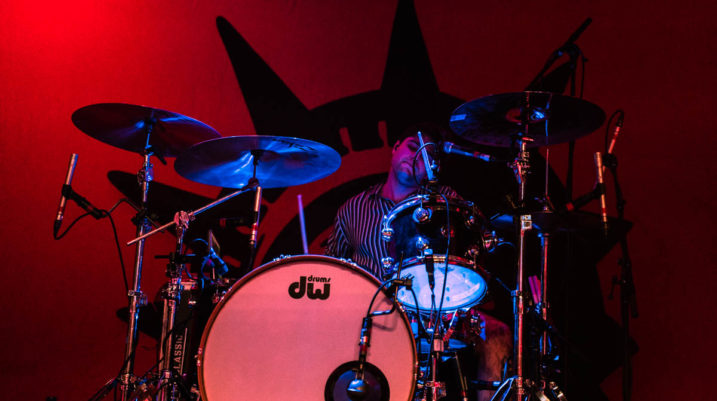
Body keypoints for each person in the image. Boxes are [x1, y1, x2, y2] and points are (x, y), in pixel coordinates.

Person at [325, 122, 511, 401]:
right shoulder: (353, 208)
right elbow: (331, 269)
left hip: (435, 311)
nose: (416, 157)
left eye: (427, 156)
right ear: (395, 148)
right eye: (413, 147)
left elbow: (468, 259)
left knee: (497, 333)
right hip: (371, 316)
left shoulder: (446, 201)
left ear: (434, 168)